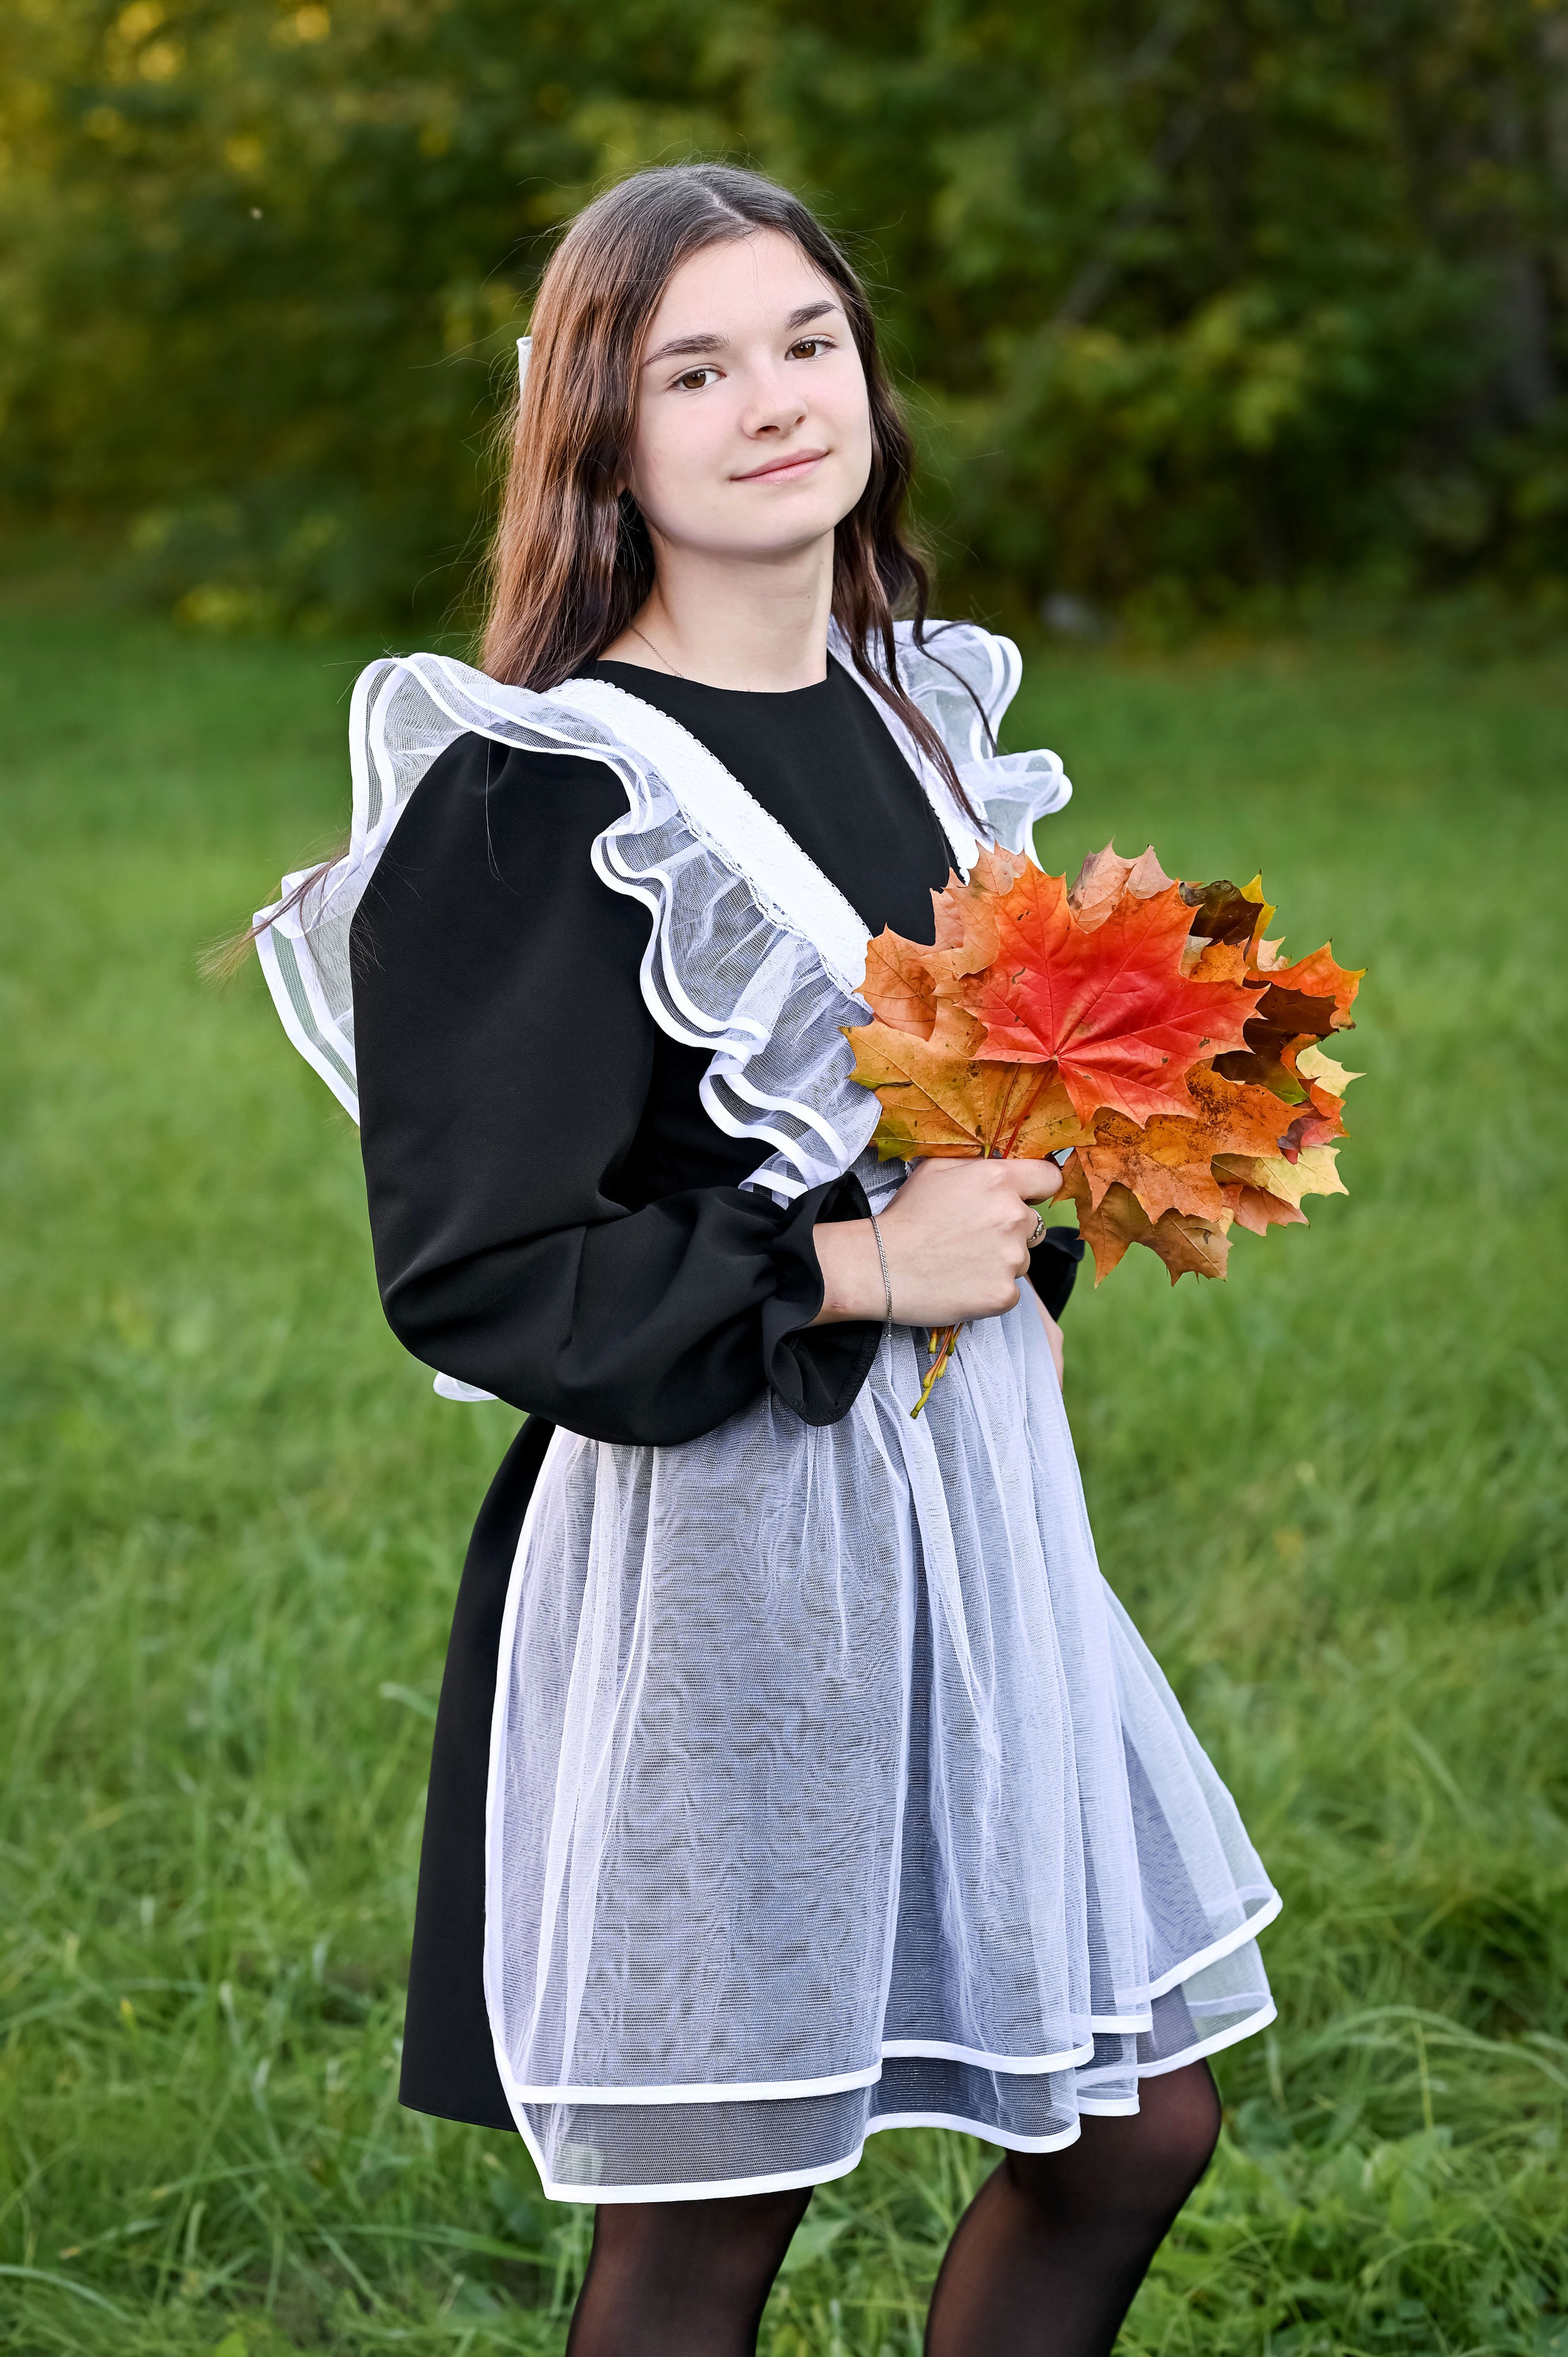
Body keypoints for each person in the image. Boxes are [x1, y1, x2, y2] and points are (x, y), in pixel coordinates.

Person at [252, 162, 1278, 2357]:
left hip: (983, 1520)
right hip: (730, 1554)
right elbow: (483, 1267)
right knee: (720, 2208)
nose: (773, 402)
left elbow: (973, 1120)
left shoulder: (919, 721)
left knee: (1133, 2128)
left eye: (809, 342)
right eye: (692, 368)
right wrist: (851, 1271)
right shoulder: (543, 792)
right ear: (600, 436)